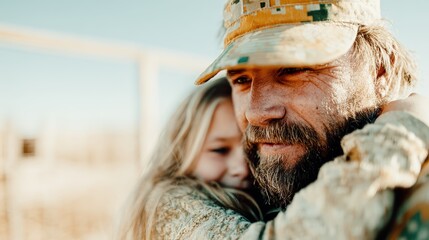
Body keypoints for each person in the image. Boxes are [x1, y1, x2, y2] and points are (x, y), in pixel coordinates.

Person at [192, 0, 429, 238]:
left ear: (381, 69)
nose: (255, 113)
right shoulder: (218, 191)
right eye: (242, 80)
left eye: (293, 70)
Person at [116, 77, 263, 240]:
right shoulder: (169, 203)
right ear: (181, 153)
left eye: (254, 147)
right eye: (220, 150)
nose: (242, 168)